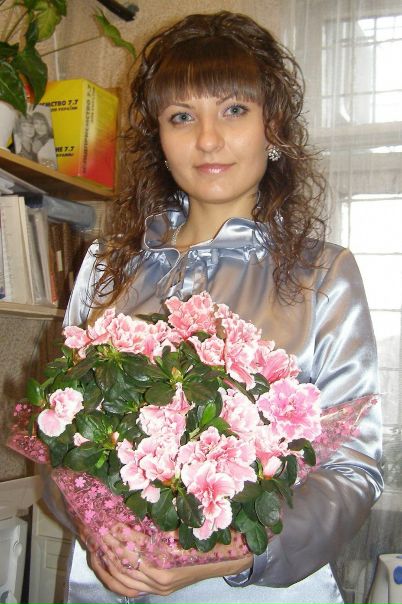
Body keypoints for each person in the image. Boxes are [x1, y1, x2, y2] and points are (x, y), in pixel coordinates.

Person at [49, 10, 382, 604]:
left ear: (272, 126)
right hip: (113, 581)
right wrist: (93, 527)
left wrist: (236, 550)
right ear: (158, 137)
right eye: (182, 116)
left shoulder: (322, 275)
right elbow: (57, 435)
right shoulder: (106, 267)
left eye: (233, 110)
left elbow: (353, 470)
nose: (207, 139)